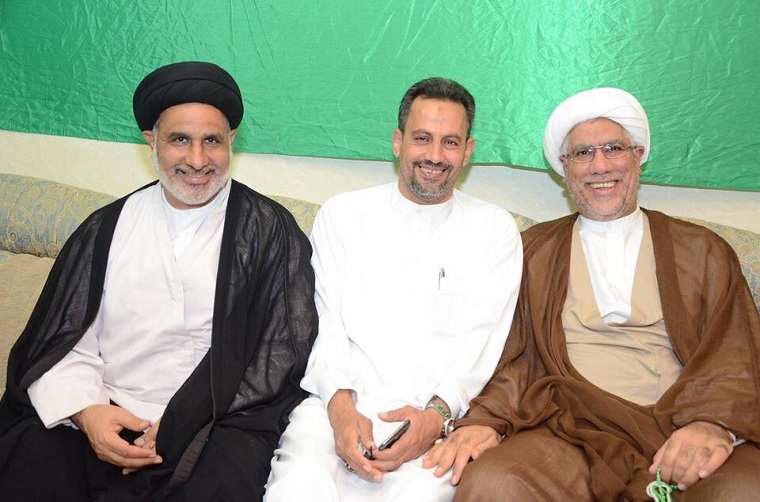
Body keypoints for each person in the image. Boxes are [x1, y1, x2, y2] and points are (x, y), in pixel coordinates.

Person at [0, 61, 318, 500]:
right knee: (30, 459)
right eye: (179, 140)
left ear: (232, 141)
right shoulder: (105, 229)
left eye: (212, 141)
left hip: (220, 419)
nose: (197, 160)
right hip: (107, 403)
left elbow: (281, 353)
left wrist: (185, 418)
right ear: (151, 140)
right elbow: (62, 341)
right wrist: (87, 412)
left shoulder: (270, 232)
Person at [425, 87, 760, 500]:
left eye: (613, 149)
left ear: (638, 156)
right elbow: (510, 353)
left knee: (744, 490)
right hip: (569, 428)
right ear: (564, 168)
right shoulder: (532, 251)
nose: (600, 166)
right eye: (583, 153)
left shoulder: (702, 250)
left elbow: (735, 352)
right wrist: (486, 420)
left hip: (678, 423)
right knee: (495, 483)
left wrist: (711, 424)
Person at [264, 77, 523, 501]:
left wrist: (434, 419)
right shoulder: (343, 215)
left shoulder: (494, 229)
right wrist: (341, 413)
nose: (435, 155)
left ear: (468, 151)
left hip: (434, 422)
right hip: (336, 408)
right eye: (422, 138)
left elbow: (484, 343)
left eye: (450, 142)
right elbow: (324, 324)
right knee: (297, 487)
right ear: (398, 142)